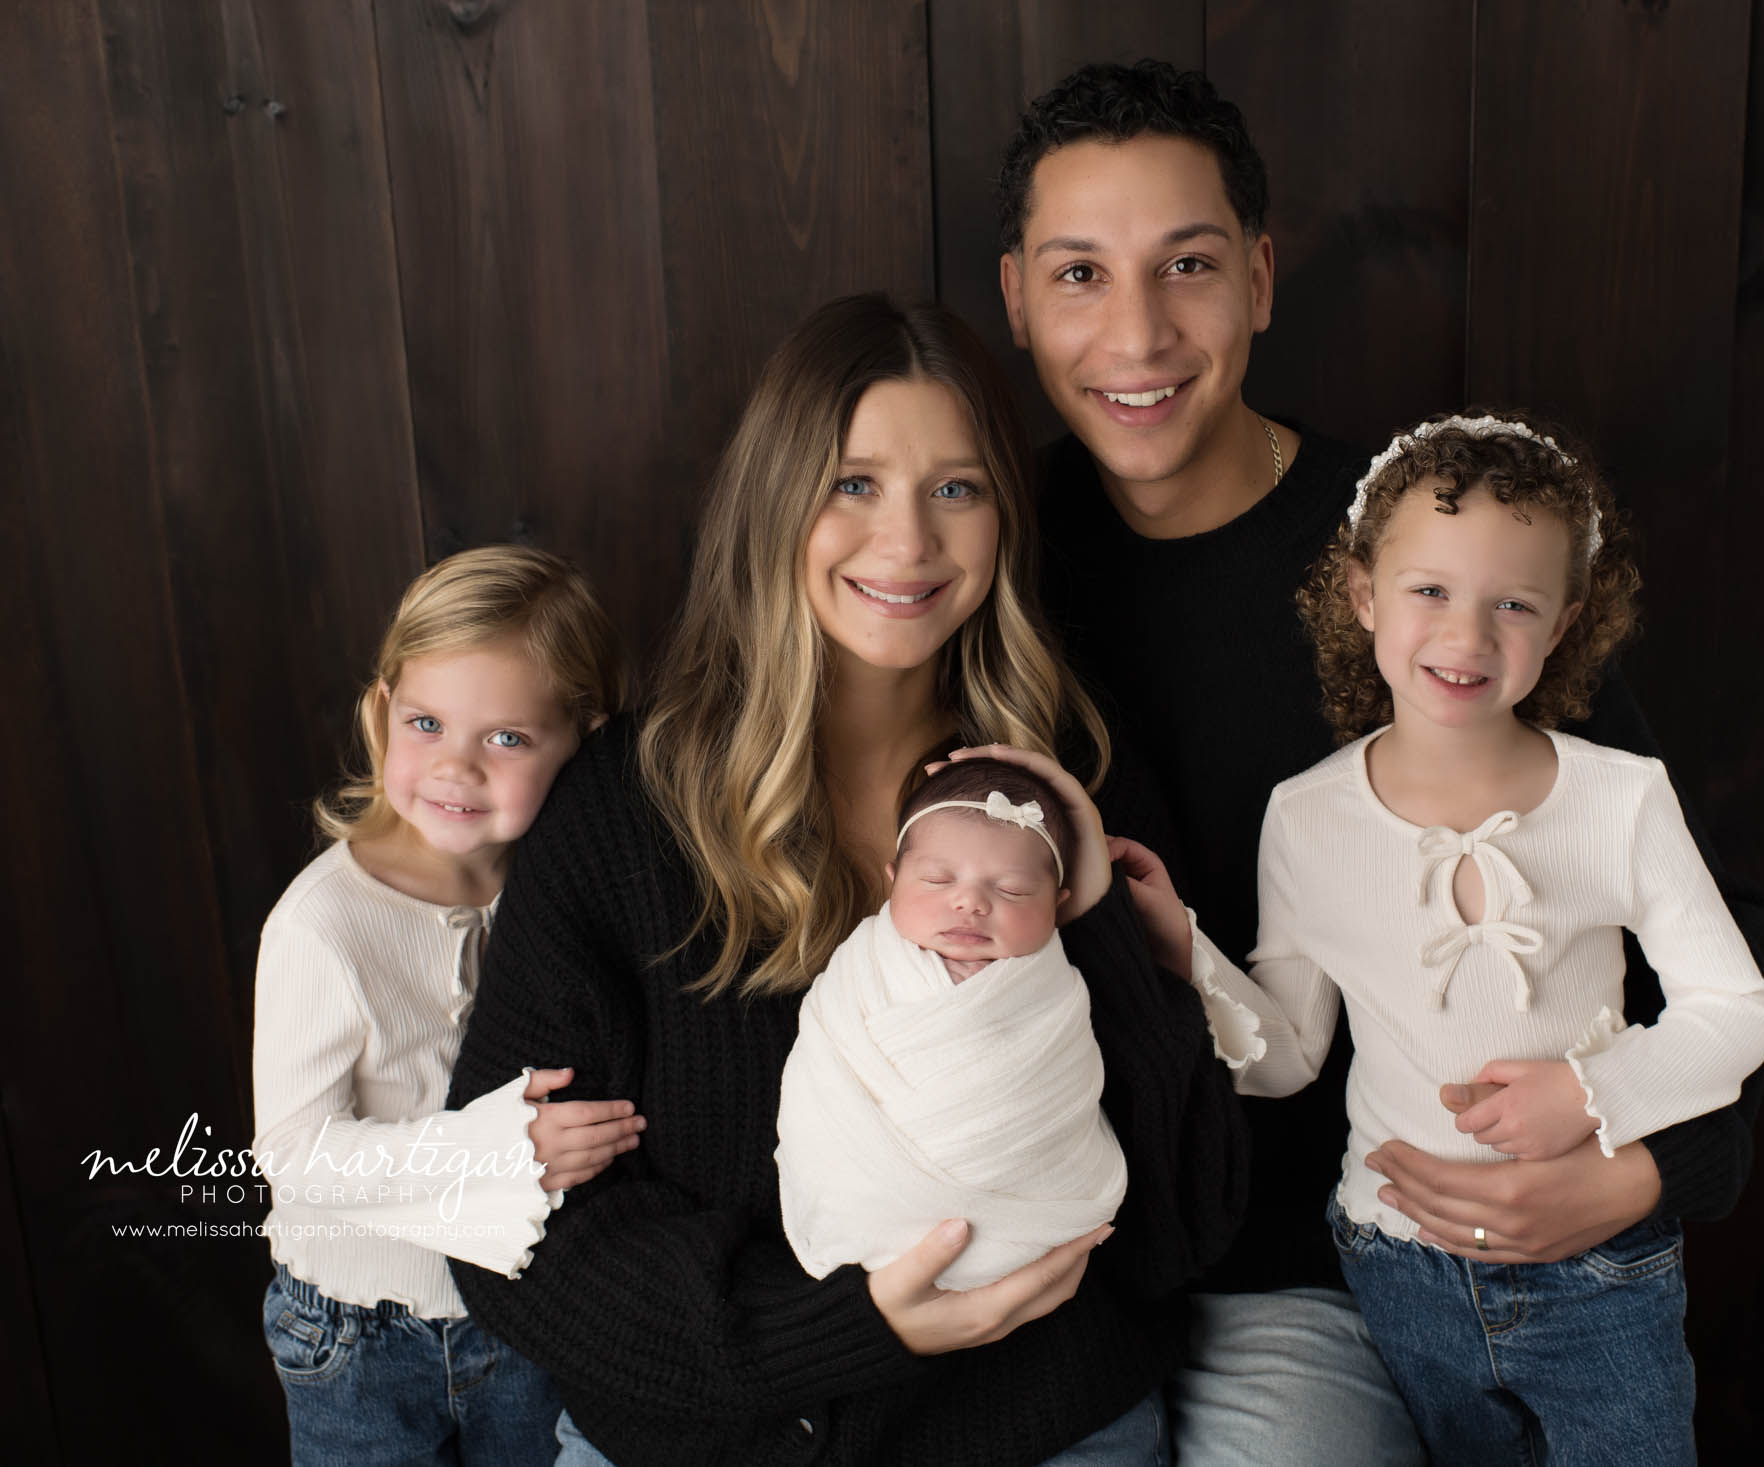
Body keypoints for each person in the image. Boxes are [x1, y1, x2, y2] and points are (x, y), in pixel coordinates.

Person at [996, 60, 1764, 1464]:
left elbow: (1701, 960)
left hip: (1353, 1260)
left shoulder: (1432, 558)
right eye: (1078, 274)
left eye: (1188, 265)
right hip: (1059, 1249)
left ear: (1263, 278)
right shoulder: (981, 559)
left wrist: (1649, 1171)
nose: (1137, 330)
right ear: (1015, 299)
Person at [445, 294, 1247, 1467]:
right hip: (709, 1433)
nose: (908, 542)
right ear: (774, 505)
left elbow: (1181, 1227)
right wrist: (833, 1329)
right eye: (852, 484)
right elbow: (510, 1219)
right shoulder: (625, 809)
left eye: (956, 488)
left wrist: (1117, 946)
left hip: (1031, 1430)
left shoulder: (1068, 786)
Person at [1191, 414, 1764, 1463]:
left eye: (1512, 604)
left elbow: (1733, 1011)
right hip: (1395, 1265)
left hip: (1602, 1272)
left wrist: (1592, 1097)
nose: (1465, 639)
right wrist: (1179, 945)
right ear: (1363, 595)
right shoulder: (1308, 817)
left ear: (1560, 625)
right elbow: (1286, 1059)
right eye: (1428, 592)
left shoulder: (1618, 799)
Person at [251, 545, 643, 1466]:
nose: (456, 768)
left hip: (527, 1310)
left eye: (506, 737)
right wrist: (501, 1153)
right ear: (382, 709)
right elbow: (296, 1157)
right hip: (357, 1331)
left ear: (585, 737)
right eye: (426, 722)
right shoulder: (325, 924)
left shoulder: (567, 892)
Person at [776, 756, 1128, 1293]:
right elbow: (823, 1072)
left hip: (1023, 1220)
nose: (969, 901)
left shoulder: (1049, 989)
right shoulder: (865, 968)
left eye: (1010, 890)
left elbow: (1062, 1088)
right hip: (865, 1211)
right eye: (937, 880)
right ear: (892, 882)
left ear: (1058, 906)